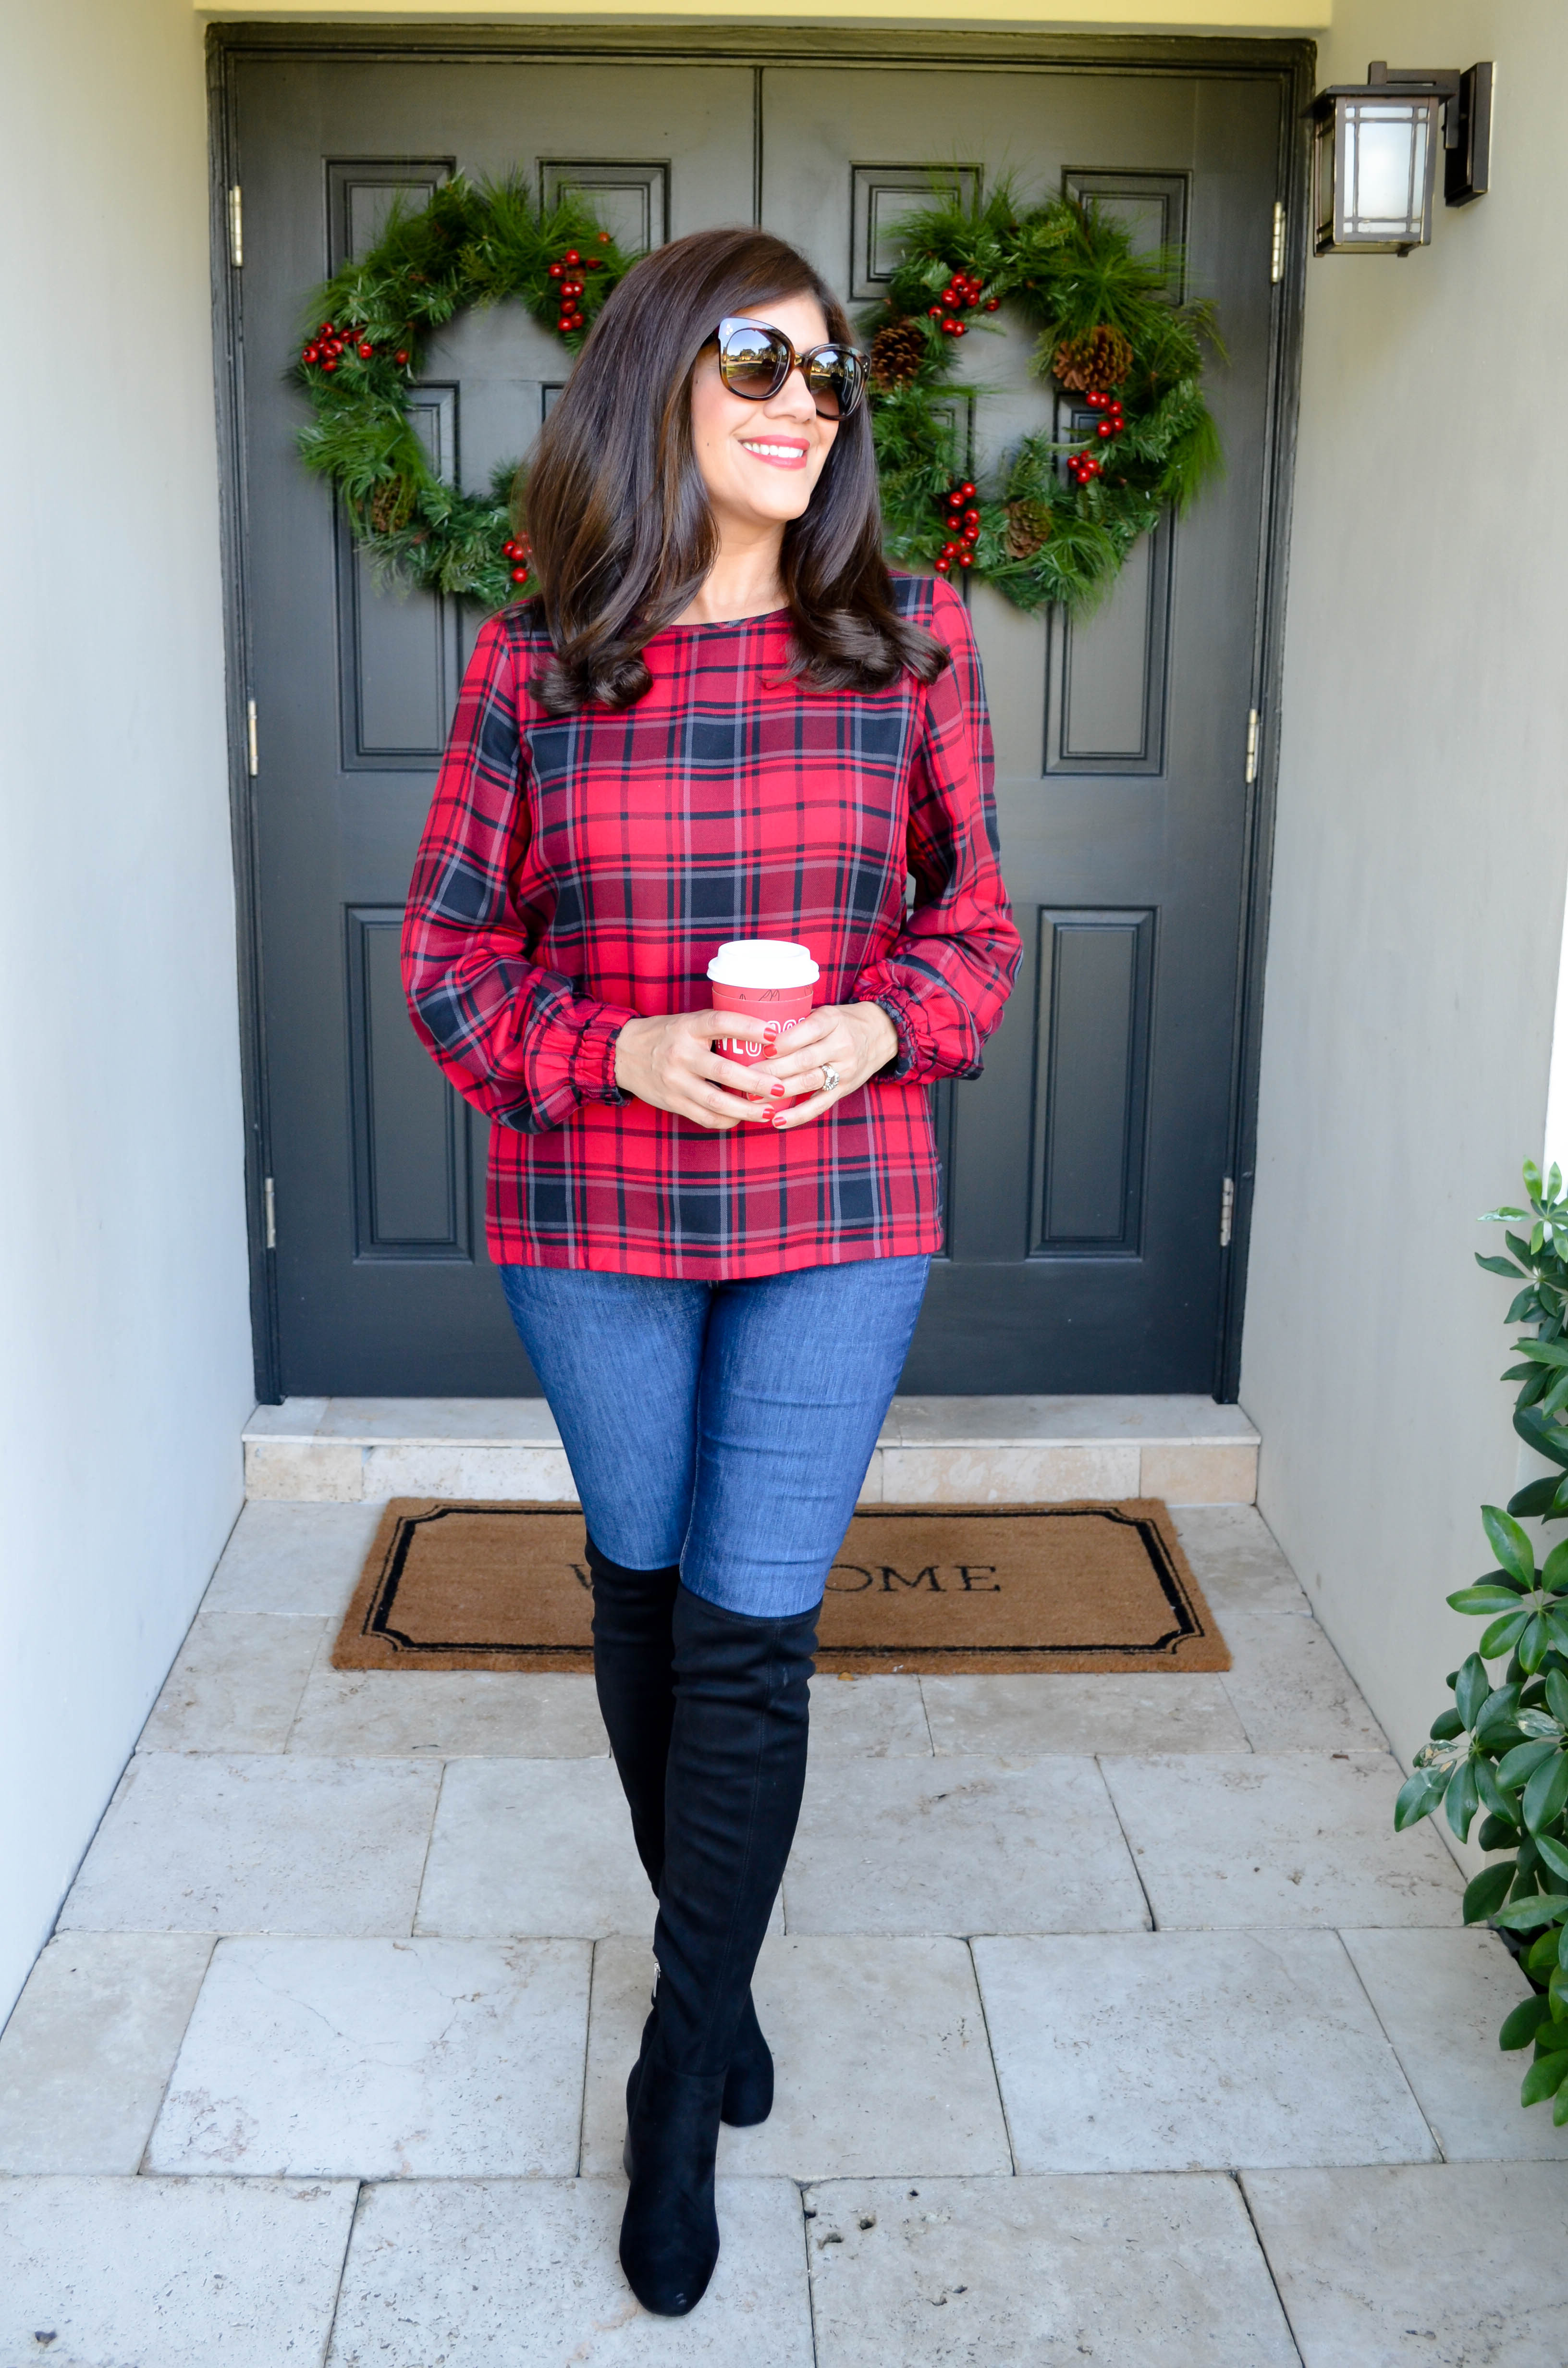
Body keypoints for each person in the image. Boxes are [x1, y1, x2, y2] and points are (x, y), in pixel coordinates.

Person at [402, 224, 1020, 2316]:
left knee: (754, 1637)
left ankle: (680, 2059)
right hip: (596, 1215)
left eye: (832, 374)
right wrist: (625, 1046)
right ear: (659, 372)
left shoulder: (910, 639)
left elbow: (978, 931)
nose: (799, 398)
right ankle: (722, 1963)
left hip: (842, 1209)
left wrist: (881, 1022)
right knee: (649, 1599)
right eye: (759, 356)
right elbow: (449, 970)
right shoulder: (540, 658)